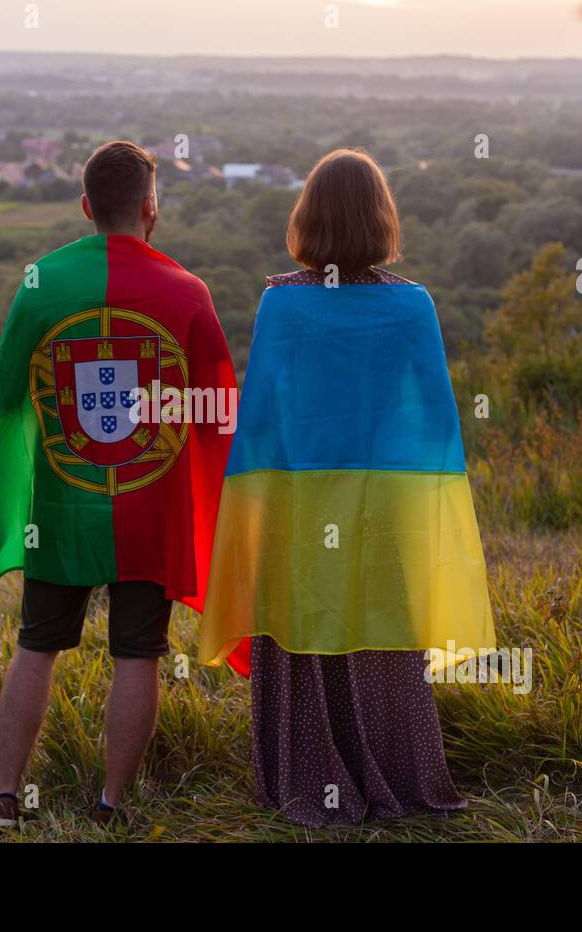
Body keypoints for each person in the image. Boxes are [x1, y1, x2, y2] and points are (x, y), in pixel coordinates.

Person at [200, 148, 497, 827]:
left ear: (308, 220)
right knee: (383, 631)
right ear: (380, 219)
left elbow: (264, 421)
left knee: (304, 627)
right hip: (381, 506)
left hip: (299, 506)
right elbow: (432, 419)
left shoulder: (281, 304)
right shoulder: (411, 305)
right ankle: (396, 773)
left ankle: (310, 776)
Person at [0, 140, 236, 828]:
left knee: (37, 644)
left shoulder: (41, 282)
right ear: (152, 209)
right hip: (150, 511)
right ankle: (111, 804)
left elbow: (4, 402)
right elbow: (217, 411)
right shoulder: (187, 291)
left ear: (86, 207)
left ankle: (3, 794)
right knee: (138, 654)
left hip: (61, 506)